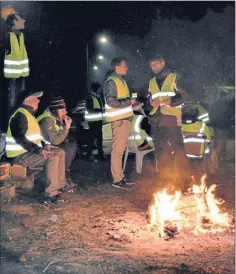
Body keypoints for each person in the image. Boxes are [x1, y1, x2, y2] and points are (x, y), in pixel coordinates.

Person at [5, 89, 66, 204]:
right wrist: (38, 150)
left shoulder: (28, 114)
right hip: (19, 156)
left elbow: (34, 137)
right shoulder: (20, 115)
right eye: (36, 98)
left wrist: (44, 146)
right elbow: (19, 137)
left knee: (60, 152)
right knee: (52, 158)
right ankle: (50, 195)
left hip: (27, 152)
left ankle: (59, 186)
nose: (38, 100)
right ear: (27, 100)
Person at [147, 54, 189, 189]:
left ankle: (182, 180)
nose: (153, 67)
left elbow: (184, 95)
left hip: (171, 118)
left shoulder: (174, 77)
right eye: (151, 65)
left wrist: (172, 101)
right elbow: (149, 97)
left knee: (178, 149)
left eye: (156, 64)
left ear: (163, 62)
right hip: (156, 120)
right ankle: (164, 179)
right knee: (160, 150)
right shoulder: (151, 81)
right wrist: (150, 102)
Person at [104, 57, 136, 189]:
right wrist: (129, 102)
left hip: (123, 120)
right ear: (117, 67)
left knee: (119, 151)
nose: (126, 67)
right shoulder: (112, 81)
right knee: (118, 151)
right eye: (124, 65)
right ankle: (117, 180)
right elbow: (111, 101)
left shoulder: (120, 81)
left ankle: (120, 177)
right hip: (119, 121)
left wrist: (131, 104)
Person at [37, 95, 77, 188]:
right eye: (62, 110)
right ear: (55, 110)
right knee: (67, 148)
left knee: (71, 144)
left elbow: (60, 136)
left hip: (48, 145)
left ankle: (64, 178)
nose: (65, 112)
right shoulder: (47, 120)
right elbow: (55, 140)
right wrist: (67, 127)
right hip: (41, 148)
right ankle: (63, 178)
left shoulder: (54, 118)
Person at [1, 6, 29, 121]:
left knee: (20, 104)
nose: (24, 20)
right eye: (20, 18)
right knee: (13, 105)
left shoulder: (20, 36)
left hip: (21, 77)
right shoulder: (7, 37)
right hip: (11, 79)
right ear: (13, 20)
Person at [85, 82, 105, 162]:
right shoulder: (90, 97)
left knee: (99, 139)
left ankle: (100, 155)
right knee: (91, 139)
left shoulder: (97, 97)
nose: (100, 90)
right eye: (99, 88)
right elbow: (89, 109)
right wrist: (100, 111)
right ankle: (89, 155)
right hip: (93, 122)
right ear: (96, 89)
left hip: (98, 121)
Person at [210, 91, 233, 159]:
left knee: (217, 138)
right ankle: (222, 153)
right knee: (223, 138)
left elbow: (211, 114)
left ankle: (215, 152)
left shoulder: (215, 104)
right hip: (223, 124)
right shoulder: (226, 104)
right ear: (224, 96)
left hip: (216, 124)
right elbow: (228, 114)